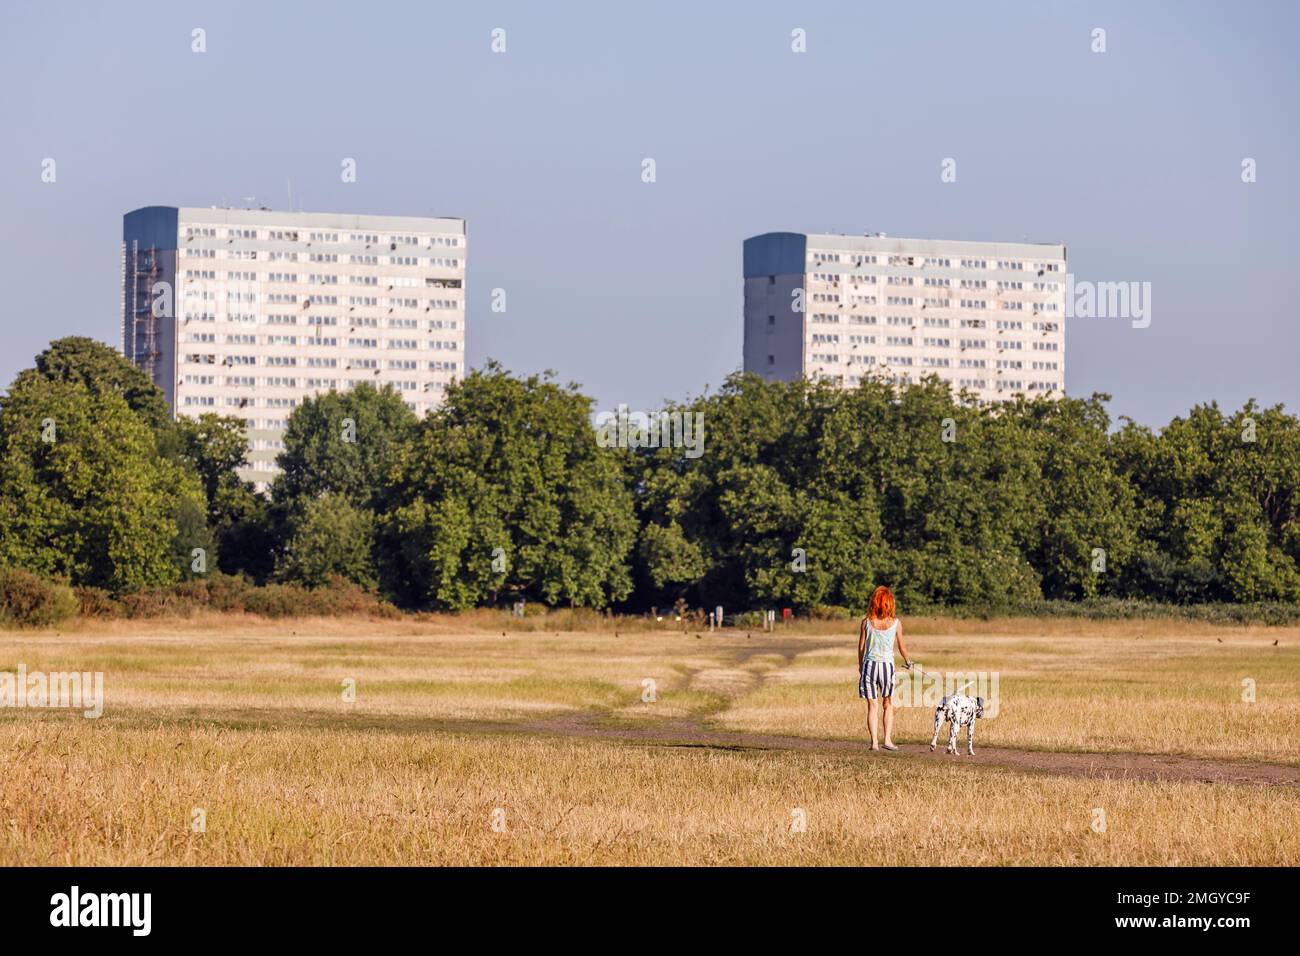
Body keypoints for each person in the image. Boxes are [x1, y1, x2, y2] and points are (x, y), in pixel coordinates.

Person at [857, 585, 913, 751]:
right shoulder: (896, 623)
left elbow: (861, 648)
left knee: (872, 706)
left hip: (870, 665)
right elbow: (902, 647)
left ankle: (874, 743)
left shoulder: (866, 622)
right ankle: (887, 740)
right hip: (887, 668)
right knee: (888, 704)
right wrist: (908, 661)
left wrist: (861, 666)